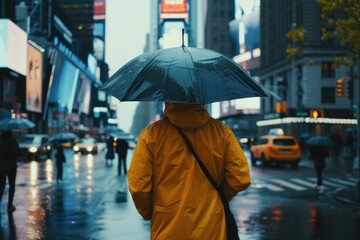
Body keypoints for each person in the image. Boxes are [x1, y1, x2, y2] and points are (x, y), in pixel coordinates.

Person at [128, 102, 251, 239]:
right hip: (211, 226)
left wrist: (149, 212)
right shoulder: (222, 132)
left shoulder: (150, 135)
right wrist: (218, 198)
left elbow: (139, 187)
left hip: (167, 225)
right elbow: (240, 177)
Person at [0, 130, 19, 212]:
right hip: (11, 167)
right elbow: (17, 153)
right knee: (12, 185)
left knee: (1, 186)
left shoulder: (0, 142)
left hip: (1, 167)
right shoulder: (13, 141)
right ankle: (9, 205)